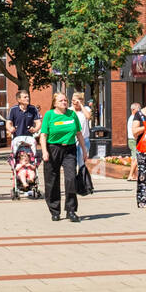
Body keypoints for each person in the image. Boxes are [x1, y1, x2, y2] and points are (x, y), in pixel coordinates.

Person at [39, 92, 83, 222]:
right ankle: (55, 210)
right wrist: (44, 151)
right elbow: (43, 135)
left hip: (69, 149)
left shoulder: (72, 114)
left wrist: (85, 152)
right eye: (61, 100)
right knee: (52, 180)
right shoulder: (49, 115)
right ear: (54, 103)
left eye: (65, 100)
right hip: (53, 149)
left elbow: (79, 133)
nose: (64, 102)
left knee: (71, 179)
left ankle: (71, 210)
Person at [70, 92, 92, 169]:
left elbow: (88, 116)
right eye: (73, 100)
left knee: (82, 162)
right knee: (72, 162)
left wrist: (81, 105)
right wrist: (73, 106)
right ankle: (74, 179)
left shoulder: (86, 109)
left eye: (76, 101)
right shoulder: (69, 110)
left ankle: (81, 179)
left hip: (84, 139)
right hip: (72, 140)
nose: (74, 102)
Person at [126, 102, 142, 182]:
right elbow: (134, 131)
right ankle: (130, 175)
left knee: (134, 158)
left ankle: (134, 175)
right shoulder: (133, 118)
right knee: (136, 158)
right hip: (133, 140)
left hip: (132, 140)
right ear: (133, 109)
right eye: (138, 108)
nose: (140, 110)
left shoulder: (132, 117)